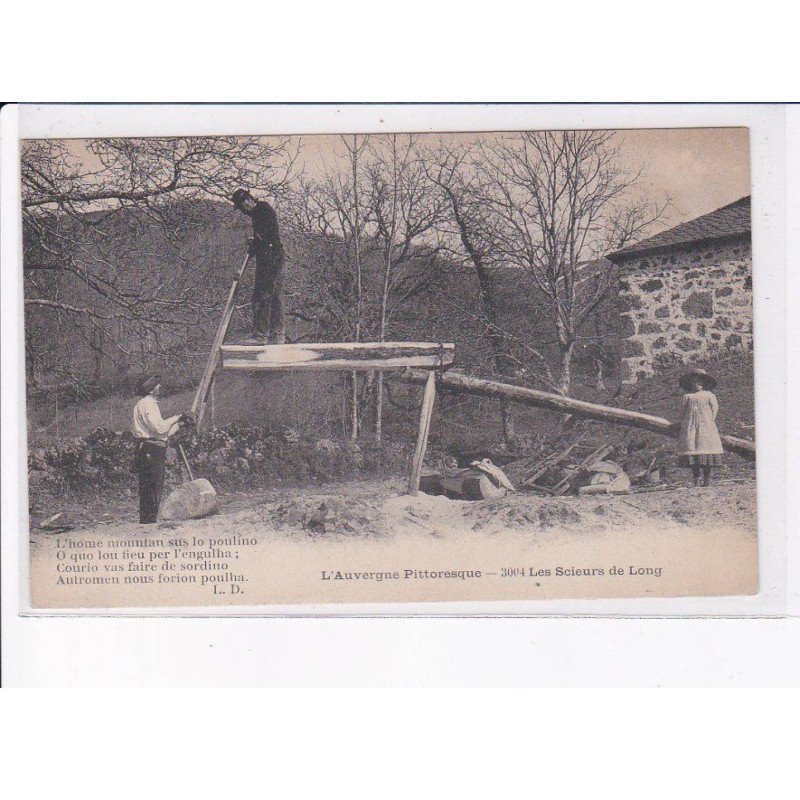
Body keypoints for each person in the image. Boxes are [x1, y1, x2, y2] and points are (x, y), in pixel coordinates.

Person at [132, 374, 190, 524]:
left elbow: (163, 433)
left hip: (150, 447)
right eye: (157, 384)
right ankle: (148, 521)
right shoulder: (148, 404)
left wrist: (180, 425)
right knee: (153, 486)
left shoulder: (144, 403)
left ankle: (147, 520)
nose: (160, 387)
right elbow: (159, 428)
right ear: (151, 388)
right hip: (151, 449)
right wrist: (178, 416)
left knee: (151, 486)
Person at [231, 188, 286, 345]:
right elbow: (265, 235)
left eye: (242, 207)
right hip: (275, 255)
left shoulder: (261, 210)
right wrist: (256, 240)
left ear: (247, 201)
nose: (243, 211)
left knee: (262, 295)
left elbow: (264, 238)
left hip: (270, 257)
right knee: (275, 296)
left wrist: (255, 242)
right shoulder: (262, 211)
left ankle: (260, 335)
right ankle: (278, 334)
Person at [677, 367, 724, 487]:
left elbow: (714, 409)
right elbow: (682, 412)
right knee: (693, 452)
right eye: (694, 382)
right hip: (691, 428)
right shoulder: (687, 396)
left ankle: (707, 480)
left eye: (699, 382)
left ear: (704, 383)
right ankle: (696, 480)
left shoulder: (709, 395)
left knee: (707, 452)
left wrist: (709, 421)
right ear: (690, 383)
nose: (697, 384)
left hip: (706, 428)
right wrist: (685, 423)